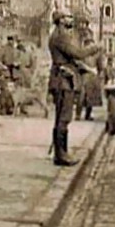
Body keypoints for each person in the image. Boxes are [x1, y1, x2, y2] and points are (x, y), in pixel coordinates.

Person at [48, 9, 100, 166]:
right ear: (61, 20)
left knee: (61, 118)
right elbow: (77, 53)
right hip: (63, 81)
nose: (70, 19)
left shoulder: (58, 34)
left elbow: (72, 58)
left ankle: (60, 152)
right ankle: (61, 154)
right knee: (64, 118)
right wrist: (95, 47)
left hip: (62, 79)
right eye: (67, 17)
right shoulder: (61, 36)